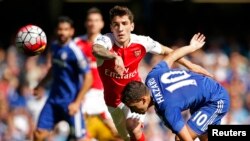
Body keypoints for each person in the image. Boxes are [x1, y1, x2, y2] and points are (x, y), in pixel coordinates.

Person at [92, 5, 213, 141]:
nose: (120, 29)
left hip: (136, 97)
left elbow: (168, 51)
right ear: (111, 27)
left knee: (134, 127)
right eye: (116, 24)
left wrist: (190, 65)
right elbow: (96, 49)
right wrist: (114, 56)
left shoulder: (142, 42)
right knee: (125, 137)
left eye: (124, 23)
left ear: (132, 26)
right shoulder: (105, 41)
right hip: (113, 102)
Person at [121, 33, 230, 141]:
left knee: (180, 139)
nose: (132, 110)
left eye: (133, 106)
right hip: (205, 94)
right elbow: (172, 56)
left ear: (143, 99)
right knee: (204, 136)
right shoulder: (152, 77)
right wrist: (191, 48)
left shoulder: (167, 109)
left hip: (215, 99)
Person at [33, 16, 93, 141]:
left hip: (70, 102)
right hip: (53, 100)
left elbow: (89, 78)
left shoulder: (75, 52)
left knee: (80, 138)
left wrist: (77, 102)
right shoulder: (54, 47)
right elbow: (53, 69)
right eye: (60, 29)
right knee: (38, 134)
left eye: (66, 29)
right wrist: (41, 85)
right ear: (56, 30)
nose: (63, 32)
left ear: (72, 31)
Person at [74, 7, 120, 140]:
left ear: (102, 24)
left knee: (116, 132)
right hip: (84, 94)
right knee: (82, 134)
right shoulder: (77, 44)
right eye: (90, 20)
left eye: (96, 20)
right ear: (85, 23)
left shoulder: (108, 43)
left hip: (103, 94)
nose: (92, 23)